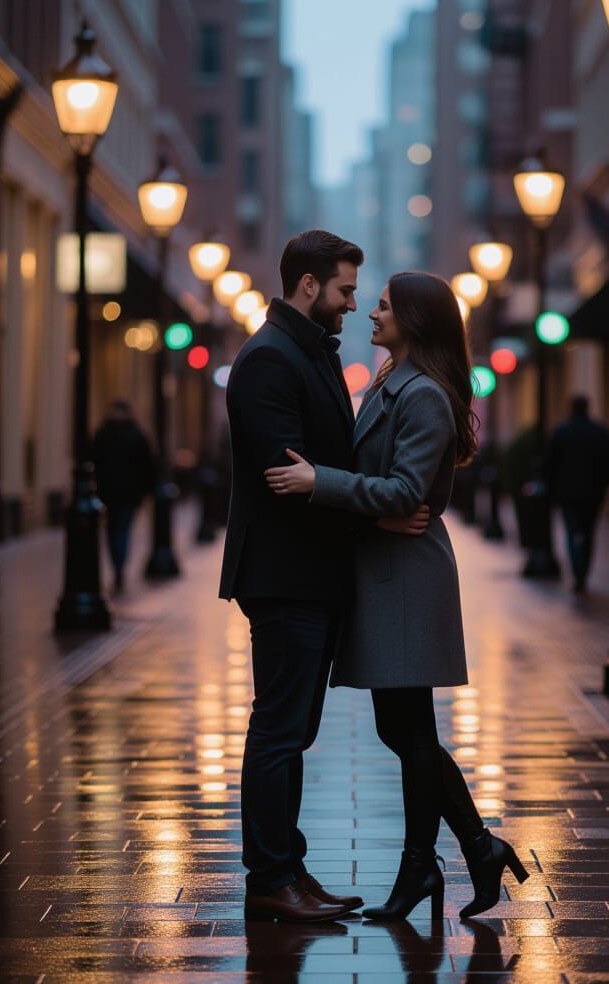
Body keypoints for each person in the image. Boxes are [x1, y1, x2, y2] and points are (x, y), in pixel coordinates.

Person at [266, 272, 528, 923]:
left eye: (383, 305)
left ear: (413, 318)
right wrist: (368, 508)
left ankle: (431, 863)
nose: (371, 312)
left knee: (408, 728)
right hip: (387, 568)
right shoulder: (392, 382)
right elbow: (386, 491)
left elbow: (406, 492)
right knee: (404, 728)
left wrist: (318, 483)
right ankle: (472, 849)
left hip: (407, 576)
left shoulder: (424, 395)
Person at [220, 230, 426, 924]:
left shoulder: (304, 351)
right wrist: (375, 513)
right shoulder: (269, 359)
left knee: (293, 732)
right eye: (344, 289)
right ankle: (270, 878)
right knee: (279, 729)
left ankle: (289, 869)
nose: (352, 303)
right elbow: (288, 478)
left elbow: (324, 468)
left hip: (310, 576)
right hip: (285, 576)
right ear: (308, 285)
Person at [543, 394, 609, 592]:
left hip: (567, 494)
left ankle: (577, 570)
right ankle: (583, 572)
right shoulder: (599, 432)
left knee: (571, 532)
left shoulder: (561, 432)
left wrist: (553, 488)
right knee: (588, 532)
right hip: (593, 494)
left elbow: (549, 464)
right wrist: (602, 484)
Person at [92, 399, 155, 593]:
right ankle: (118, 566)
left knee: (120, 530)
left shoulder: (129, 435)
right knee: (114, 530)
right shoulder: (105, 434)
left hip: (126, 494)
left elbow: (146, 466)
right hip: (112, 493)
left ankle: (119, 567)